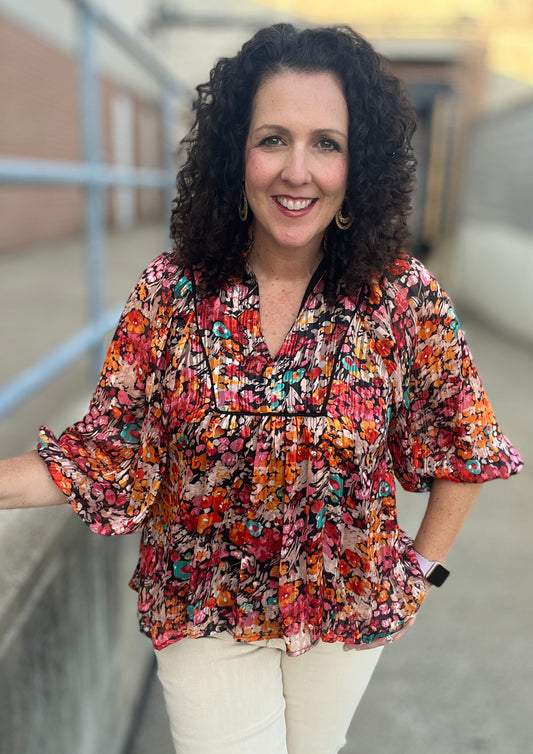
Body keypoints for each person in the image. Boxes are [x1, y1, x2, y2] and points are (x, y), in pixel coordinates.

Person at [0, 23, 523, 754]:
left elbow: (463, 443)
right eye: (272, 138)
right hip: (202, 609)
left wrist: (418, 574)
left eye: (326, 143)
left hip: (348, 611)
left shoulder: (401, 297)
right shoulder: (171, 293)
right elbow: (103, 455)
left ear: (357, 163)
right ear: (233, 154)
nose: (296, 171)